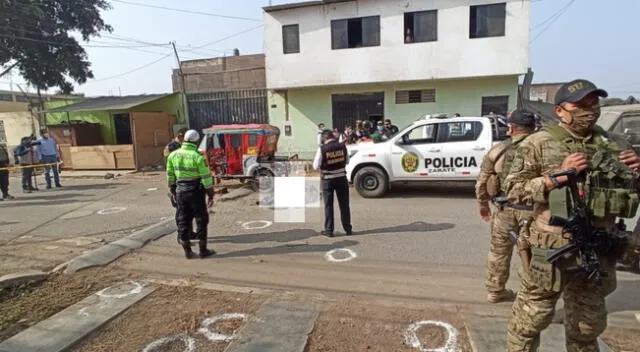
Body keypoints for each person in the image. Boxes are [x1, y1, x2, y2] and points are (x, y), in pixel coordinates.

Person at [503, 79, 640, 351]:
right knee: (531, 320)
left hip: (598, 250)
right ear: (560, 111)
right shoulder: (538, 144)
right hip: (551, 251)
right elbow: (513, 190)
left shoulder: (615, 143)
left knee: (587, 326)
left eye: (593, 103)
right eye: (579, 105)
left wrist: (637, 173)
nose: (589, 110)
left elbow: (629, 192)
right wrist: (555, 178)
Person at [475, 110, 536, 303]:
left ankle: (495, 290)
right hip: (535, 211)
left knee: (499, 252)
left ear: (511, 128)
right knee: (534, 254)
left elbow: (482, 182)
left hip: (504, 210)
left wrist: (482, 204)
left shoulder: (498, 150)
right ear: (533, 128)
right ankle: (532, 294)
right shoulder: (543, 149)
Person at [167, 129, 216, 259]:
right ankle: (203, 250)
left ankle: (187, 251)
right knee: (201, 219)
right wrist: (210, 194)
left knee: (183, 219)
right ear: (196, 141)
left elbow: (170, 175)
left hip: (180, 191)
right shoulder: (198, 157)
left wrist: (173, 190)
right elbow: (206, 177)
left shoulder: (173, 155)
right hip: (196, 192)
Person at [313, 129, 352, 237]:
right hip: (342, 179)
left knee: (328, 206)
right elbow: (347, 161)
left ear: (324, 138)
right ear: (332, 136)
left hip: (328, 180)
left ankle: (329, 230)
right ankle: (348, 229)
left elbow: (315, 166)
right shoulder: (342, 146)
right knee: (344, 205)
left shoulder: (322, 149)